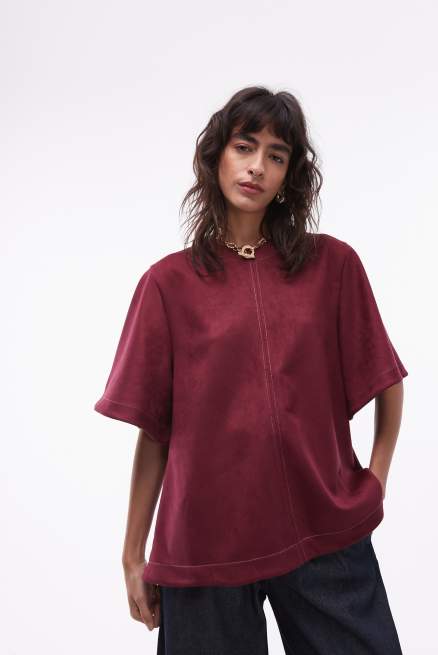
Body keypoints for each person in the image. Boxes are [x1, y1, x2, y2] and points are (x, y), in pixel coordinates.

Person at [94, 86, 408, 654]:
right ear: (216, 157)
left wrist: (376, 480)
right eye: (244, 147)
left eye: (276, 155)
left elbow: (386, 378)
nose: (257, 166)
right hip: (205, 546)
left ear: (288, 175)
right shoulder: (168, 285)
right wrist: (132, 555)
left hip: (323, 532)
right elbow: (156, 431)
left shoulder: (333, 266)